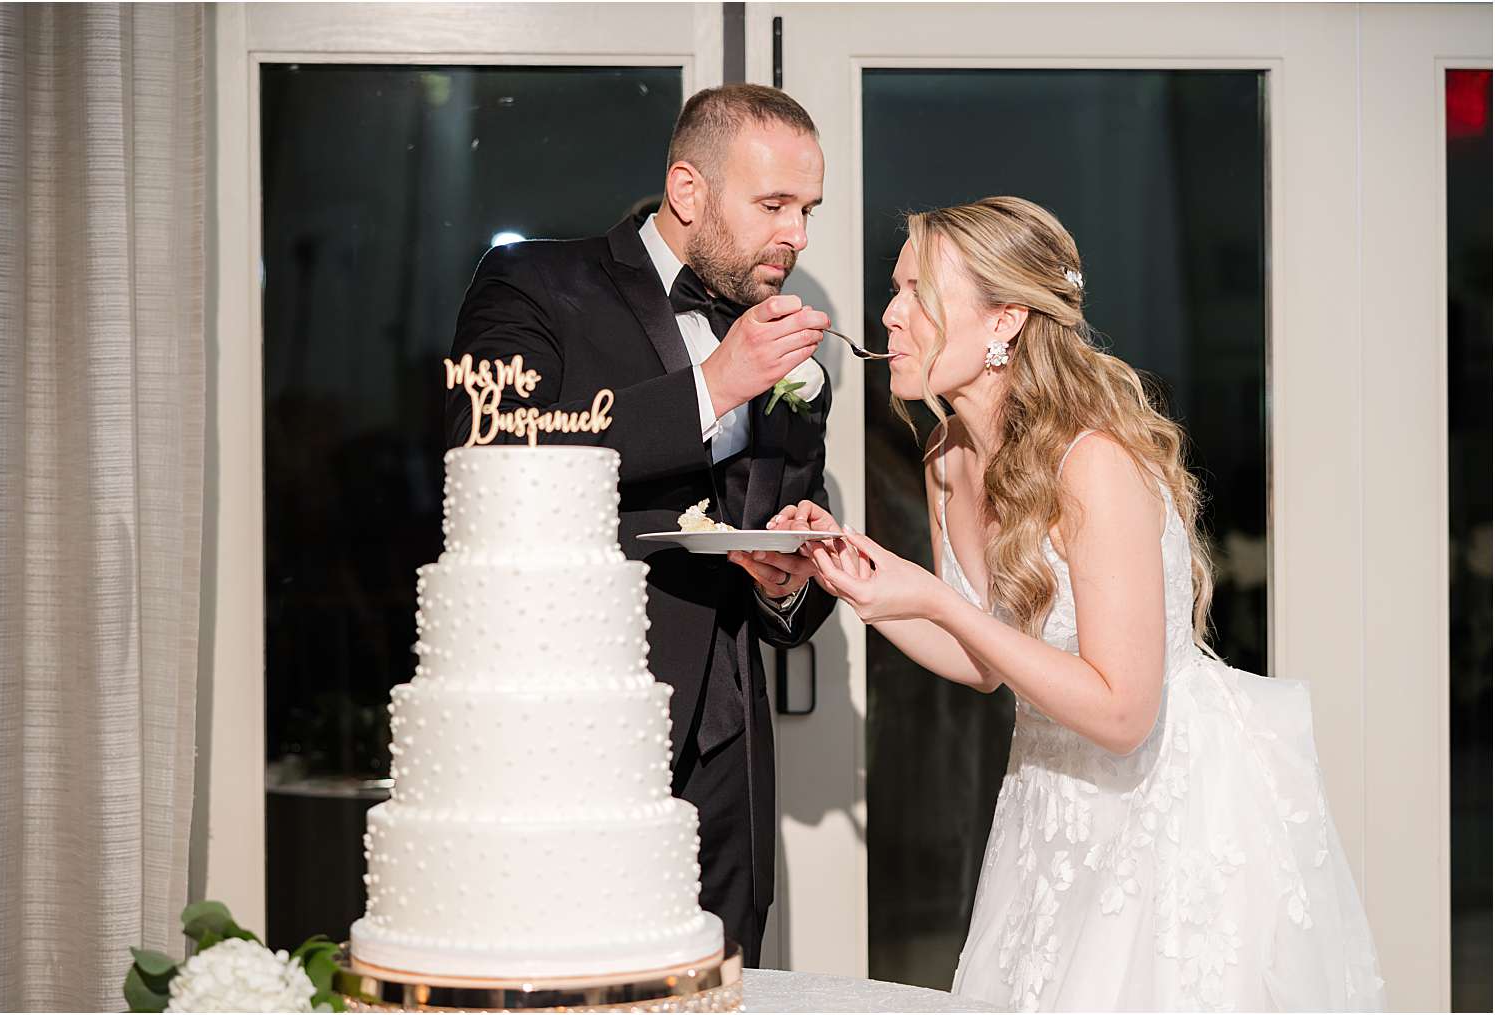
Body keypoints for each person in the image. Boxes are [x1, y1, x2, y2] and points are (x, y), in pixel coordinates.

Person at [773, 196, 1387, 1009]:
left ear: (1006, 321)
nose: (888, 315)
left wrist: (937, 602)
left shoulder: (1093, 463)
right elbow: (986, 664)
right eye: (894, 290)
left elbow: (1124, 711)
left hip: (1169, 807)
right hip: (1045, 800)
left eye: (915, 292)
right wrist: (851, 580)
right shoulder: (948, 456)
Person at [445, 84, 836, 964]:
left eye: (807, 209)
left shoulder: (789, 352)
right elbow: (494, 452)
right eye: (774, 205)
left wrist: (792, 581)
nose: (798, 236)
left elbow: (790, 564)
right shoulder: (534, 283)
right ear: (689, 191)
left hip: (727, 751)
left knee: (720, 983)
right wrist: (713, 385)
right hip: (567, 733)